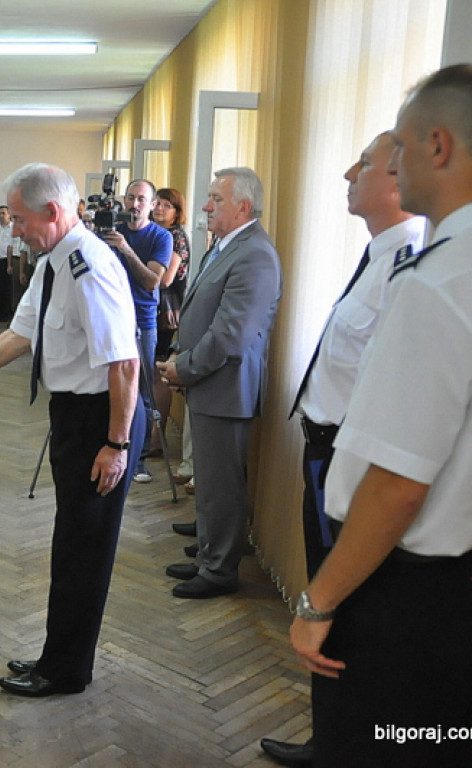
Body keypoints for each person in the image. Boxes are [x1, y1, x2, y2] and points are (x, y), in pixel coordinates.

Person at [289, 63, 472, 768]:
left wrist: (317, 602)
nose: (388, 165)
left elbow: (399, 483)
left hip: (407, 586)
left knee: (378, 739)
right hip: (451, 585)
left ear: (439, 146)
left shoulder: (440, 281)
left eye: (396, 146)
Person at [0, 162, 140, 697]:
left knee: (83, 552)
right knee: (69, 546)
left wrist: (116, 445)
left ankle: (65, 671)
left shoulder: (89, 265)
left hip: (98, 426)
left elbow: (124, 363)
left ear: (54, 212)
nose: (12, 229)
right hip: (71, 418)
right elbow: (19, 336)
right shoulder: (53, 262)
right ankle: (56, 656)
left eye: (19, 219)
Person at [263, 133, 426, 767]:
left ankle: (348, 743)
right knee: (337, 606)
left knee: (348, 608)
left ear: (397, 177)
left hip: (352, 465)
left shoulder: (412, 262)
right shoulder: (380, 255)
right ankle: (333, 737)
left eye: (362, 162)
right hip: (326, 454)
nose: (346, 172)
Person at [156, 167, 282, 599]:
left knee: (222, 483)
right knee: (210, 481)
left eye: (215, 199)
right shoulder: (228, 244)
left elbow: (232, 333)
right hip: (209, 380)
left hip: (226, 385)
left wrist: (184, 367)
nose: (206, 206)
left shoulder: (255, 254)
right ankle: (210, 550)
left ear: (243, 206)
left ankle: (219, 569)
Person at [103, 180, 173, 484]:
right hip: (108, 319)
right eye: (130, 198)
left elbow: (151, 282)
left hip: (142, 323)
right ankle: (111, 449)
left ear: (153, 203)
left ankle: (139, 459)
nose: (134, 204)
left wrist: (126, 249)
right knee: (106, 387)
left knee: (141, 391)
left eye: (141, 199)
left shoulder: (162, 237)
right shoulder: (109, 231)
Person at [147, 188, 190, 457]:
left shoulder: (176, 237)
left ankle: (156, 437)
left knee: (159, 373)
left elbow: (165, 278)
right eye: (158, 204)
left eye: (167, 205)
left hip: (166, 312)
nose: (160, 209)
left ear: (177, 211)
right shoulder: (154, 232)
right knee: (150, 373)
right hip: (150, 309)